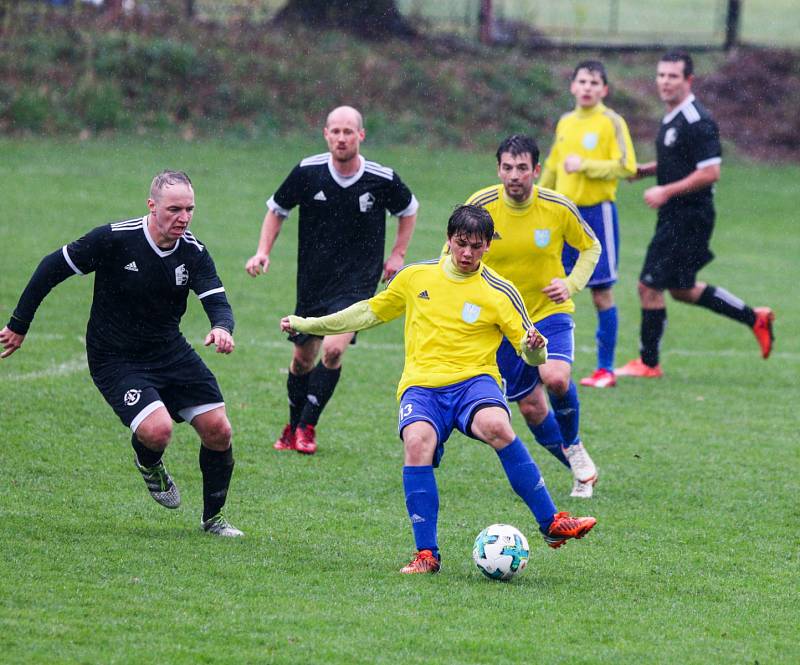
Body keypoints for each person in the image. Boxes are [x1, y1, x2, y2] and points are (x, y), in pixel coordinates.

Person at [280, 205, 596, 574]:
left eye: (476, 247)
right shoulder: (416, 277)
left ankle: (551, 522)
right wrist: (311, 324)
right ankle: (427, 554)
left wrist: (536, 346)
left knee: (498, 425)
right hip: (422, 386)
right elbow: (368, 312)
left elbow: (531, 354)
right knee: (417, 443)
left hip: (475, 382)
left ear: (487, 247)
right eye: (461, 244)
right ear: (448, 240)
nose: (467, 254)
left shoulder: (499, 290)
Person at [0, 171, 243, 537]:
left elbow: (217, 300)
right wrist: (19, 323)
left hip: (169, 351)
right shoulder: (114, 239)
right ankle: (150, 465)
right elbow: (52, 267)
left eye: (189, 208)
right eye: (174, 208)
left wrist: (222, 328)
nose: (184, 217)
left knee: (219, 430)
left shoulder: (193, 251)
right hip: (115, 357)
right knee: (157, 432)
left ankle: (214, 519)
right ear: (152, 206)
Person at [246, 105, 418, 455]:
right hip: (313, 281)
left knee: (334, 349)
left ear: (361, 136)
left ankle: (308, 425)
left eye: (348, 132)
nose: (341, 138)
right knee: (302, 361)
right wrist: (263, 250)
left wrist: (398, 254)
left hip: (358, 281)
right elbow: (277, 209)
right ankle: (293, 425)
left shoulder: (380, 177)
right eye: (335, 131)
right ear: (326, 134)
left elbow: (409, 208)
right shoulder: (308, 172)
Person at [617, 50, 775, 378]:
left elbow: (710, 172)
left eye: (672, 76)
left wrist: (665, 191)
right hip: (679, 214)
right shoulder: (673, 116)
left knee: (648, 286)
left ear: (688, 80)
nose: (664, 82)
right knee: (681, 289)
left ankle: (648, 364)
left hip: (688, 216)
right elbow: (682, 163)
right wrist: (648, 172)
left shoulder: (697, 120)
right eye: (661, 75)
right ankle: (754, 318)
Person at [465, 135, 602, 498]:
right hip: (504, 322)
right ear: (498, 169)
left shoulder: (558, 207)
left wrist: (571, 284)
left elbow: (591, 247)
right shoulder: (481, 205)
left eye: (522, 168)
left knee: (555, 378)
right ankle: (580, 470)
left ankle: (573, 446)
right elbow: (454, 252)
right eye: (507, 168)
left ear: (536, 171)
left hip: (548, 312)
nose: (514, 175)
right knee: (531, 407)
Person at [540, 60, 637, 388]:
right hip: (562, 214)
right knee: (549, 288)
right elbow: (553, 166)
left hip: (597, 215)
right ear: (572, 86)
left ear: (604, 90)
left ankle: (605, 369)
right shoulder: (566, 122)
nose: (587, 88)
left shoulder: (611, 122)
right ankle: (539, 362)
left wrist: (586, 166)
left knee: (601, 294)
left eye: (595, 83)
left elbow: (627, 166)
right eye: (582, 81)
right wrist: (540, 200)